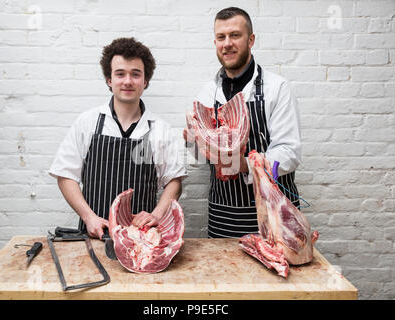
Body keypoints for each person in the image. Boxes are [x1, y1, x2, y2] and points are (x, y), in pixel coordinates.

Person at [49, 37, 187, 240]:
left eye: (136, 74)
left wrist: (156, 215)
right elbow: (65, 175)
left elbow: (174, 181)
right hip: (95, 235)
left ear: (145, 81)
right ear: (109, 80)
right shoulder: (87, 122)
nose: (128, 81)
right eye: (120, 74)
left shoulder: (160, 129)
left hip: (142, 240)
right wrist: (89, 218)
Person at [184, 7, 301, 238]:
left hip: (274, 212)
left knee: (276, 272)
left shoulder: (276, 88)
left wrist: (245, 164)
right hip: (223, 214)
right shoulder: (207, 93)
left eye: (235, 35)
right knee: (226, 273)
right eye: (221, 37)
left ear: (251, 39)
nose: (227, 43)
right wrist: (193, 143)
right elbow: (201, 159)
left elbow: (290, 153)